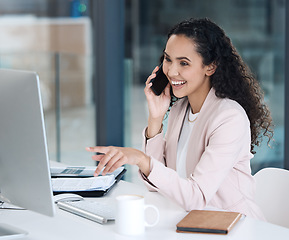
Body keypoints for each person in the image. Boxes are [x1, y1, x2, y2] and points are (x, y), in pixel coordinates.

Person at [86, 18, 273, 220]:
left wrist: (141, 159)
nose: (172, 71)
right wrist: (155, 118)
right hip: (192, 221)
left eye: (184, 63)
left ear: (210, 67)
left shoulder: (229, 118)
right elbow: (154, 184)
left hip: (235, 226)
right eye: (168, 59)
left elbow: (196, 196)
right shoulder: (180, 109)